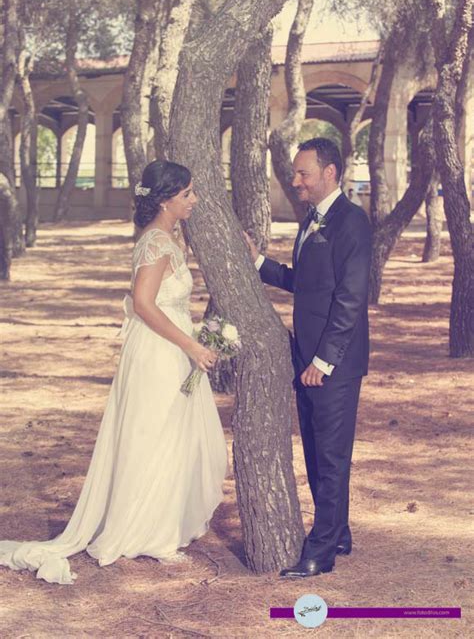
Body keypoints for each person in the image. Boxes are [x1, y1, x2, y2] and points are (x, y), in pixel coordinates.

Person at [0, 160, 228, 584]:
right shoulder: (157, 243)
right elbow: (143, 303)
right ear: (164, 200)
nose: (194, 200)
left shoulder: (163, 238)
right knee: (154, 435)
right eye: (187, 194)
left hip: (169, 347)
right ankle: (146, 531)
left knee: (170, 437)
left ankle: (157, 524)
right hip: (161, 351)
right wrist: (192, 344)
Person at [245, 138, 371, 578]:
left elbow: (351, 299)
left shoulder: (352, 222)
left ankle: (321, 550)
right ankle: (338, 530)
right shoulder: (310, 221)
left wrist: (324, 361)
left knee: (332, 456)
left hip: (332, 365)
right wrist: (258, 261)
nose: (296, 181)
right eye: (296, 174)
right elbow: (309, 284)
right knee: (317, 452)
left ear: (331, 173)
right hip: (307, 360)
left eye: (304, 174)